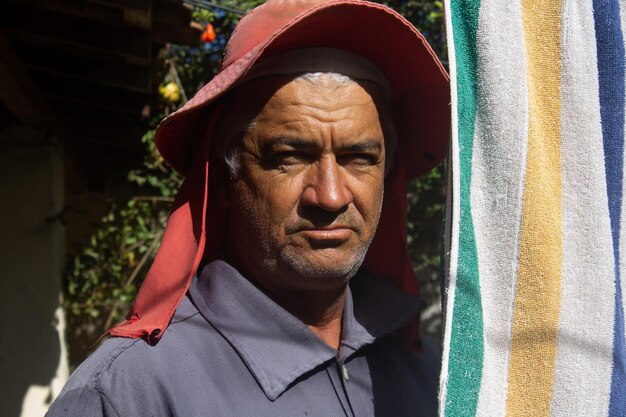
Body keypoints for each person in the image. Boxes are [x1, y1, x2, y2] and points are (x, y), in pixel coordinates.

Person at [46, 0, 449, 415]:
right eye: (289, 156)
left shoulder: (430, 372)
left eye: (359, 158)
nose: (330, 196)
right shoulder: (128, 395)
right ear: (222, 178)